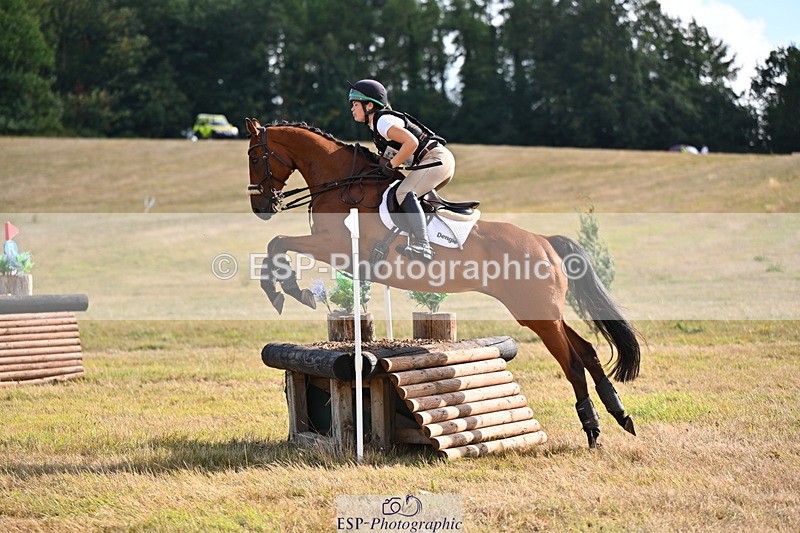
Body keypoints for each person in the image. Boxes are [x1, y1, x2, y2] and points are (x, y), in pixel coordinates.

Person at [348, 79, 453, 262]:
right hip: (435, 162)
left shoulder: (382, 122)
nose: (352, 109)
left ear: (369, 105)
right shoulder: (378, 126)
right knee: (403, 198)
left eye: (356, 104)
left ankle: (423, 246)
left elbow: (411, 143)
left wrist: (391, 165)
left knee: (404, 193)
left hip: (435, 159)